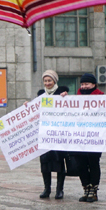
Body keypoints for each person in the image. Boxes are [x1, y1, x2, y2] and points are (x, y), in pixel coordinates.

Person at [75, 73, 105, 202]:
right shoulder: (75, 98)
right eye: (82, 84)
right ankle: (85, 187)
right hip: (79, 136)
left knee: (93, 163)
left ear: (94, 84)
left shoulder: (101, 97)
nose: (84, 86)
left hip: (95, 136)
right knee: (81, 164)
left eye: (86, 84)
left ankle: (94, 189)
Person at [37, 70, 67, 200]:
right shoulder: (40, 95)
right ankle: (47, 188)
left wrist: (65, 96)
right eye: (45, 81)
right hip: (45, 134)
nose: (47, 83)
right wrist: (27, 105)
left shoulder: (62, 93)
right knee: (45, 163)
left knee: (59, 163)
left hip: (59, 134)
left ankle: (59, 190)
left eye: (50, 80)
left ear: (55, 81)